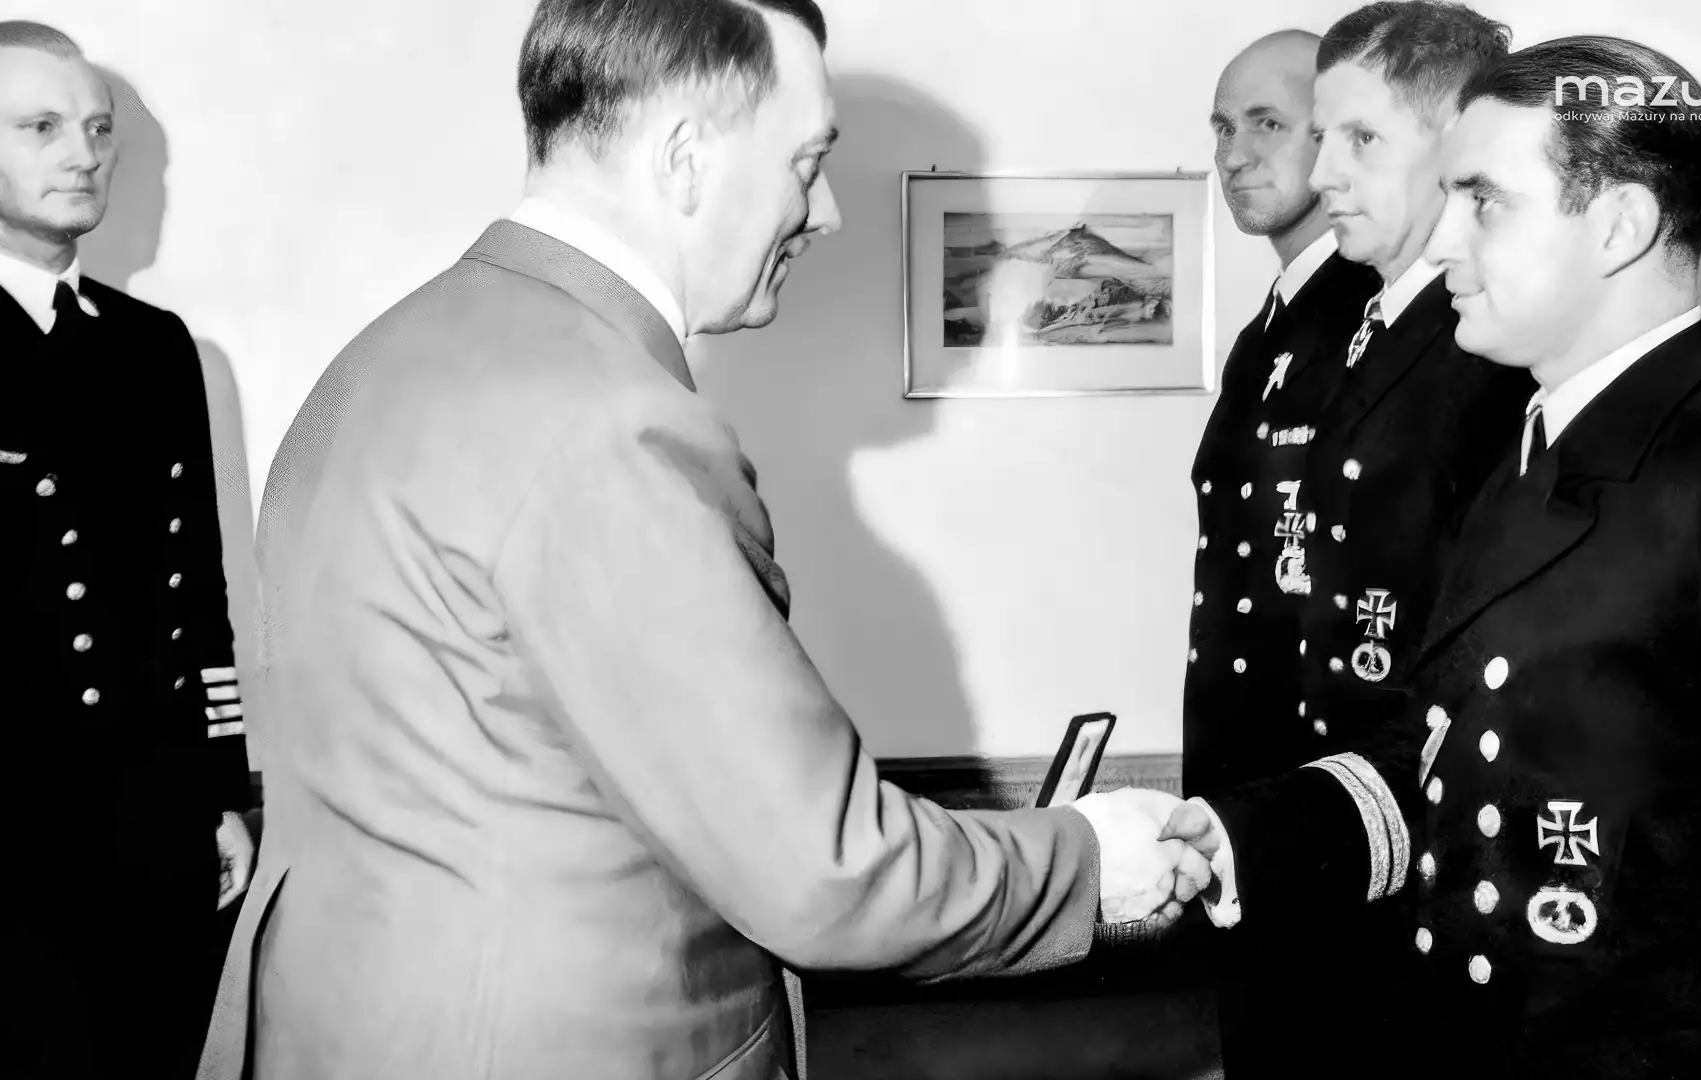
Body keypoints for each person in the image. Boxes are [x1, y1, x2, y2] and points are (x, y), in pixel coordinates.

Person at [196, 2, 1208, 1079]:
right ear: (685, 158)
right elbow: (826, 870)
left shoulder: (377, 363)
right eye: (806, 162)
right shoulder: (610, 420)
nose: (823, 211)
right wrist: (1088, 859)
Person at [1168, 34, 1701, 1080]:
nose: (1446, 243)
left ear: (1619, 225)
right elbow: (1454, 753)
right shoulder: (1535, 457)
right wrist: (1252, 835)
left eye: (1484, 202)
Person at [1184, 4, 1530, 1075]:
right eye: (1322, 137)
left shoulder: (1484, 347)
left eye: (1358, 139)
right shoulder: (1359, 324)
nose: (1326, 171)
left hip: (1385, 835)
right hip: (1301, 813)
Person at [0, 20, 255, 1080]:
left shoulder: (155, 348)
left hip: (154, 818)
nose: (84, 154)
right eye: (42, 127)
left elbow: (198, 594)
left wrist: (224, 792)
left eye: (99, 129)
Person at [1182, 24, 1383, 1079]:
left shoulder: (1378, 320)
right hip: (1251, 802)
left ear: (1338, 138)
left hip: (1328, 807)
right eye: (1222, 127)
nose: (1234, 154)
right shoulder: (1271, 329)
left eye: (1267, 123)